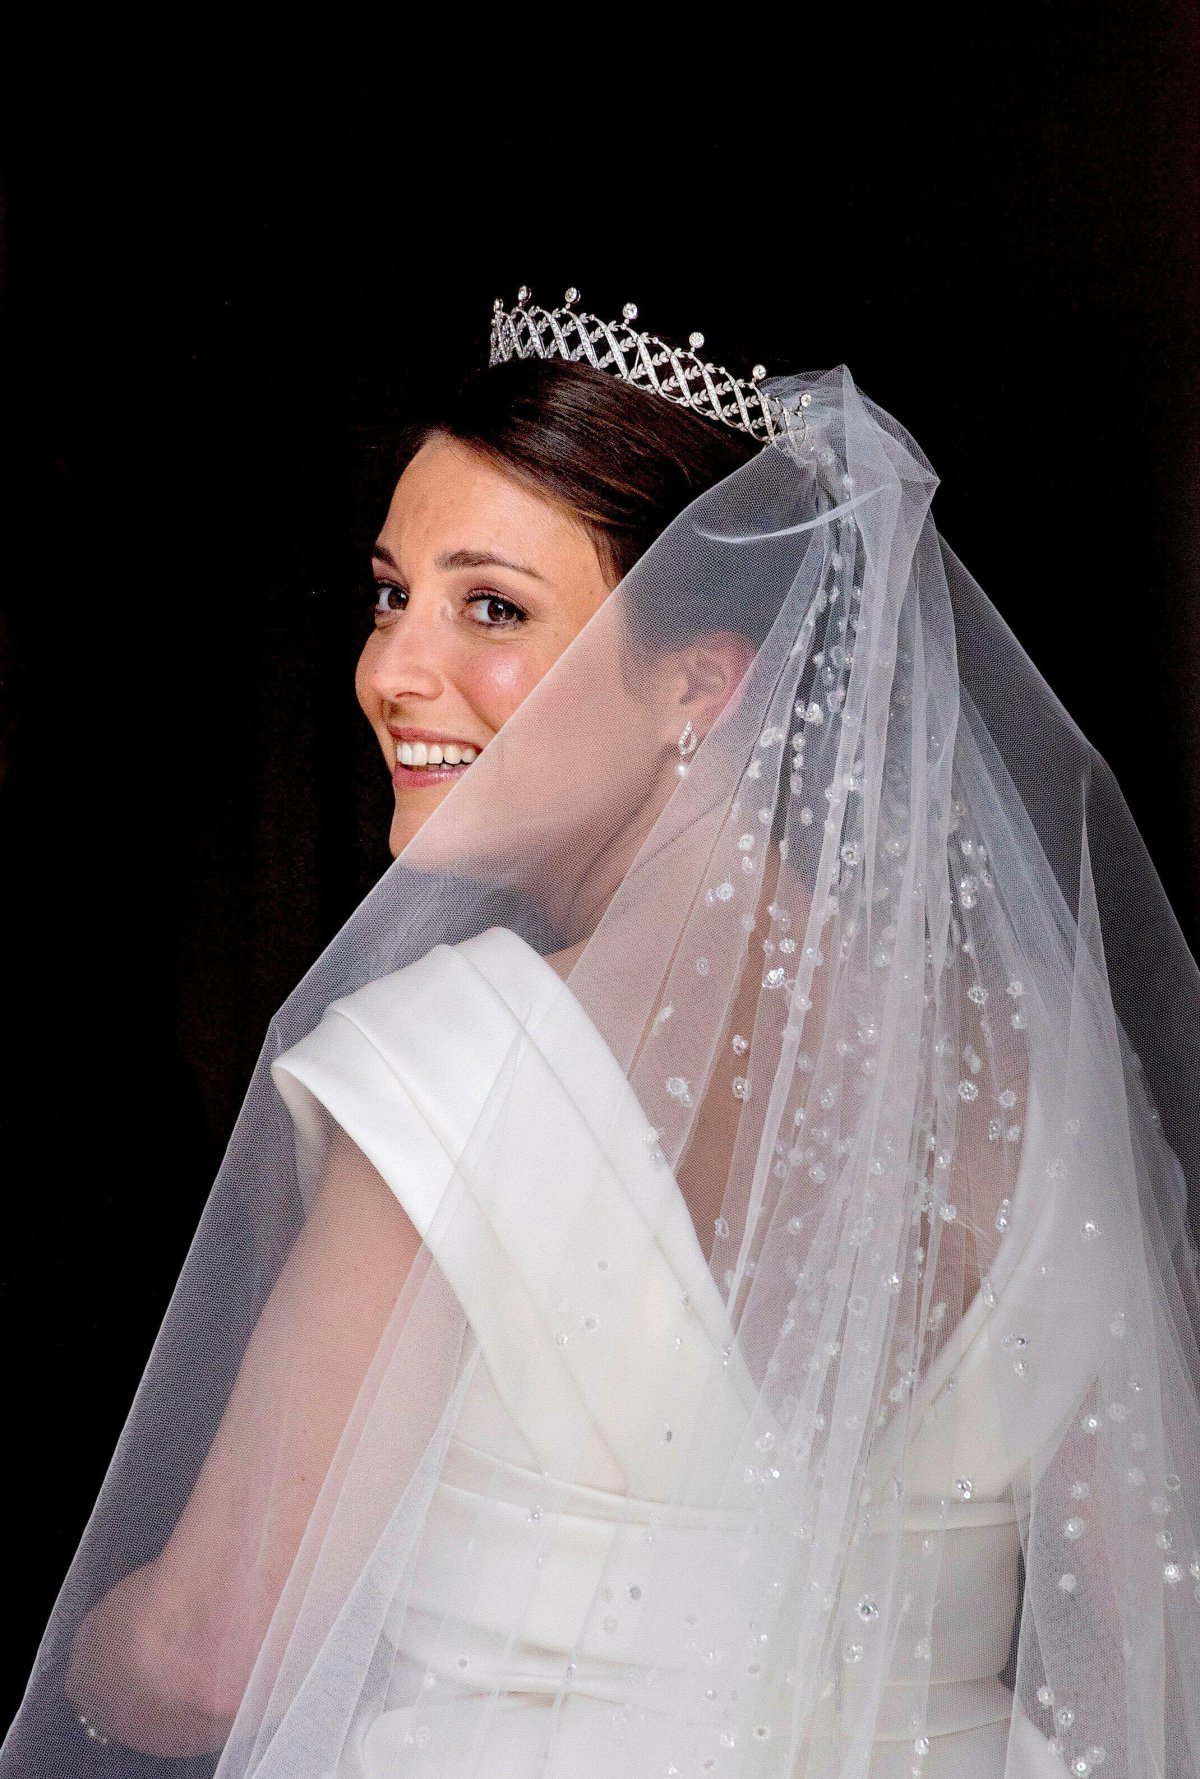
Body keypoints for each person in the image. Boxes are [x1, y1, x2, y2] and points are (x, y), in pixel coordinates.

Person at [3, 289, 1198, 1778]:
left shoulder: (457, 1070)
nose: (393, 673)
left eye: (491, 607)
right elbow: (1150, 1658)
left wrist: (83, 1654)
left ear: (701, 683)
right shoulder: (1040, 1088)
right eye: (390, 595)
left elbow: (215, 1657)